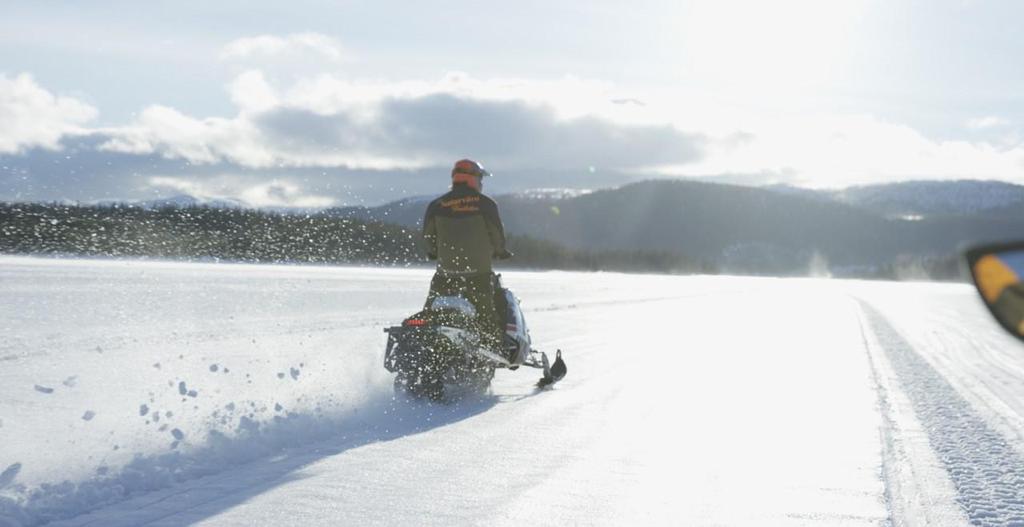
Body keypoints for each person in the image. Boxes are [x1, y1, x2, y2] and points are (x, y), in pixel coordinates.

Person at [422, 159, 512, 347]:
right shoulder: (486, 204)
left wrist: (433, 253)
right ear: (474, 179)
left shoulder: (436, 205)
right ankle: (491, 349)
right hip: (478, 274)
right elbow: (497, 233)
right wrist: (500, 251)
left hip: (445, 273)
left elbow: (428, 238)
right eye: (481, 178)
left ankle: (422, 347)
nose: (481, 183)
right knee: (487, 317)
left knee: (428, 316)